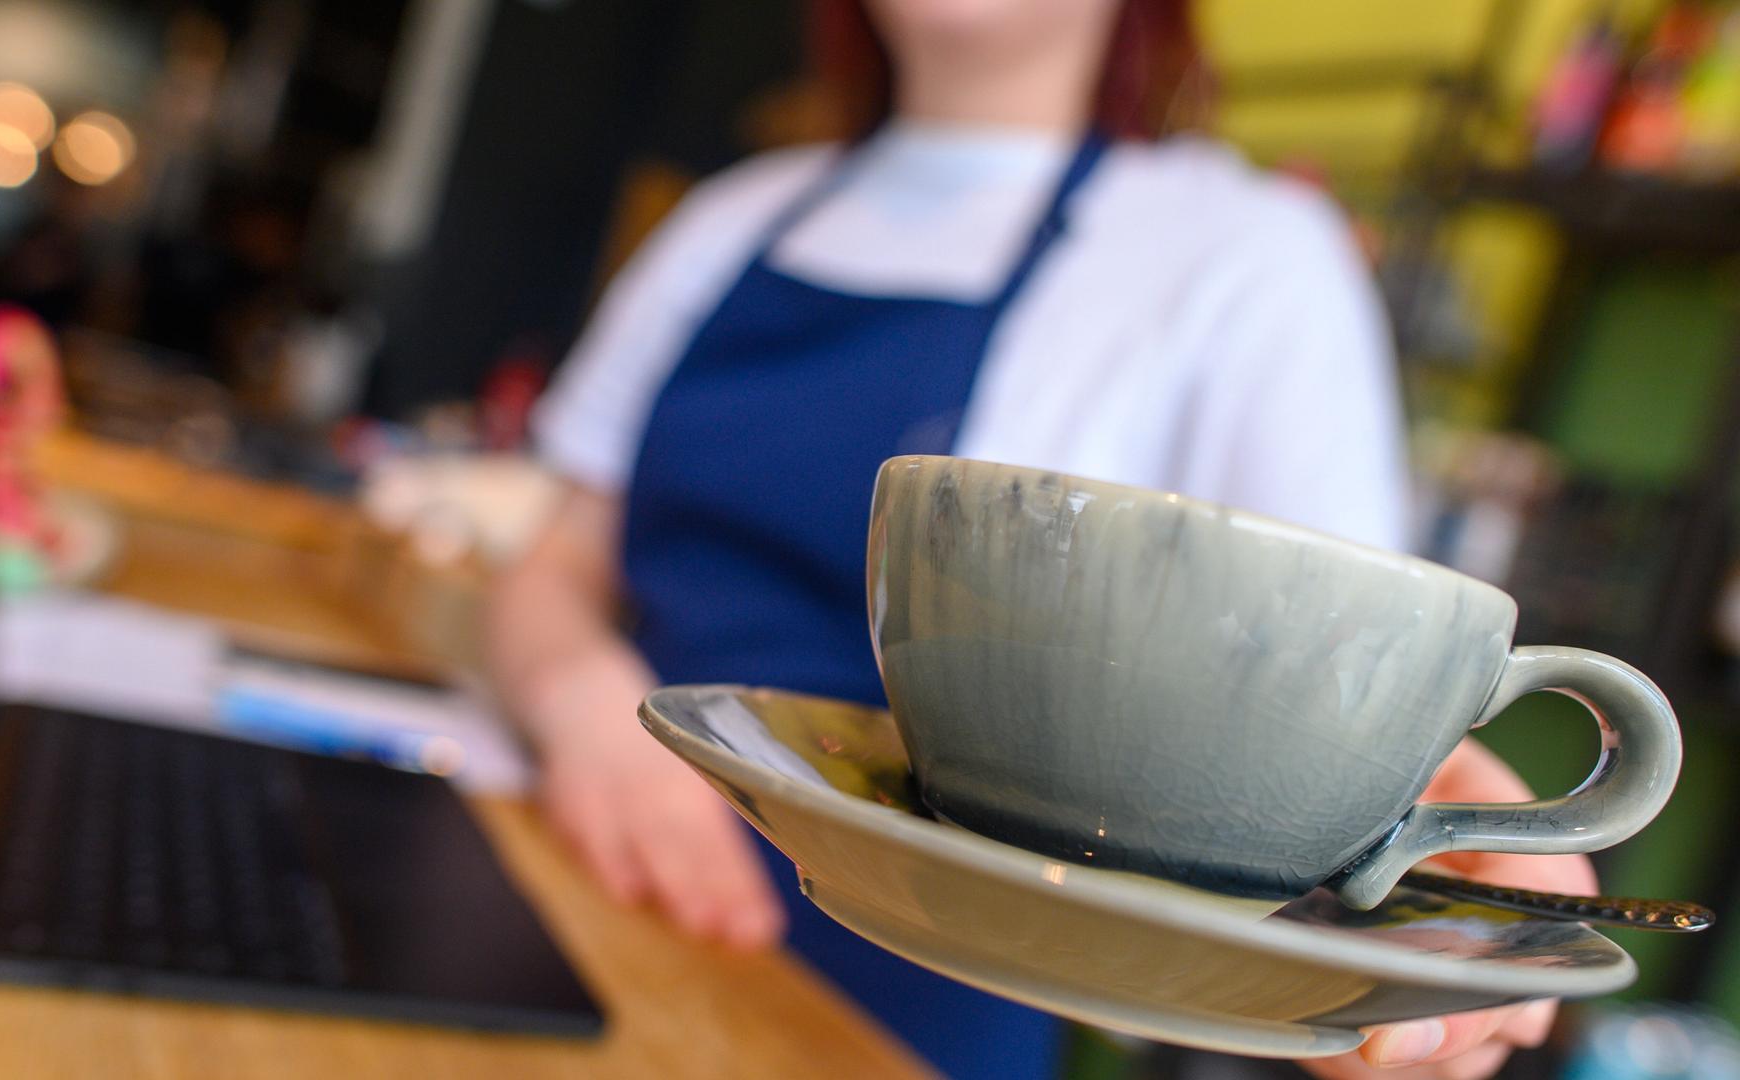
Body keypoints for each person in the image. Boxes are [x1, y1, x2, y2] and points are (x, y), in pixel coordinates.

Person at [485, 1, 1596, 1076]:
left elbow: (1336, 672)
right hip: (581, 865)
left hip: (917, 989)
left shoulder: (1249, 257)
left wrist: (1428, 821)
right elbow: (557, 563)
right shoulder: (727, 220)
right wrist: (587, 707)